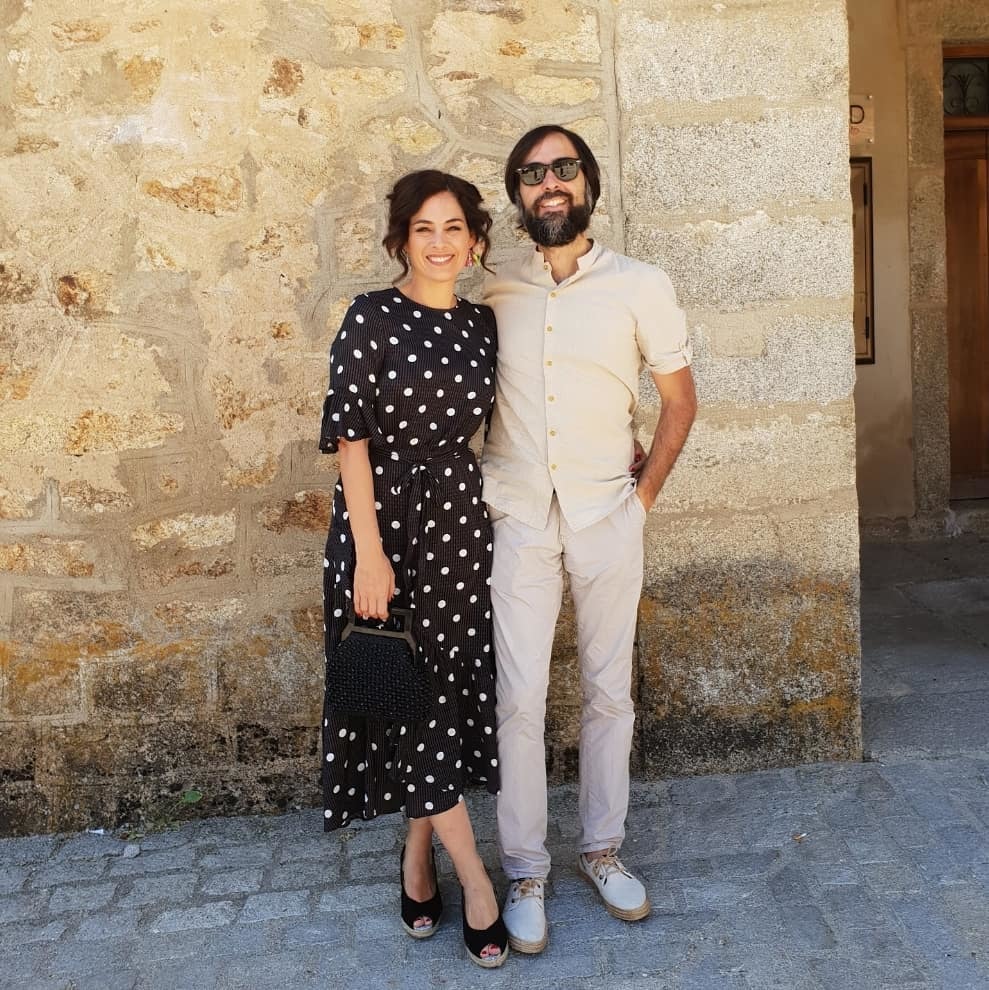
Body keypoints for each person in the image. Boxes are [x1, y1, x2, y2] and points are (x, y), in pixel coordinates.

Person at [481, 125, 697, 953]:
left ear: (588, 184)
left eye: (563, 168)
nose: (549, 184)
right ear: (517, 194)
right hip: (519, 516)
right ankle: (524, 870)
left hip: (609, 511)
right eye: (531, 173)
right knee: (517, 698)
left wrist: (642, 500)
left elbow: (679, 399)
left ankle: (602, 849)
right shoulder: (493, 286)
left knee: (609, 691)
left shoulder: (641, 285)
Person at [318, 170, 509, 968]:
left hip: (458, 527)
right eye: (423, 228)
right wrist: (369, 554)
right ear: (401, 239)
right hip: (383, 527)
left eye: (452, 228)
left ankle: (416, 854)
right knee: (409, 697)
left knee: (439, 694)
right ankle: (477, 882)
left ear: (474, 241)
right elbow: (350, 441)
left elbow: (521, 415)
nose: (439, 243)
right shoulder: (371, 316)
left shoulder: (480, 326)